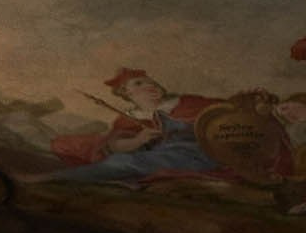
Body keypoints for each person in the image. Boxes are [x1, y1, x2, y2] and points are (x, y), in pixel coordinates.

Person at [48, 68, 226, 184]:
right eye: (139, 83)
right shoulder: (128, 119)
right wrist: (138, 140)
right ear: (126, 92)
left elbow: (227, 112)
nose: (151, 85)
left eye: (152, 82)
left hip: (197, 153)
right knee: (70, 145)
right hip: (153, 155)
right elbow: (115, 144)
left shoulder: (187, 102)